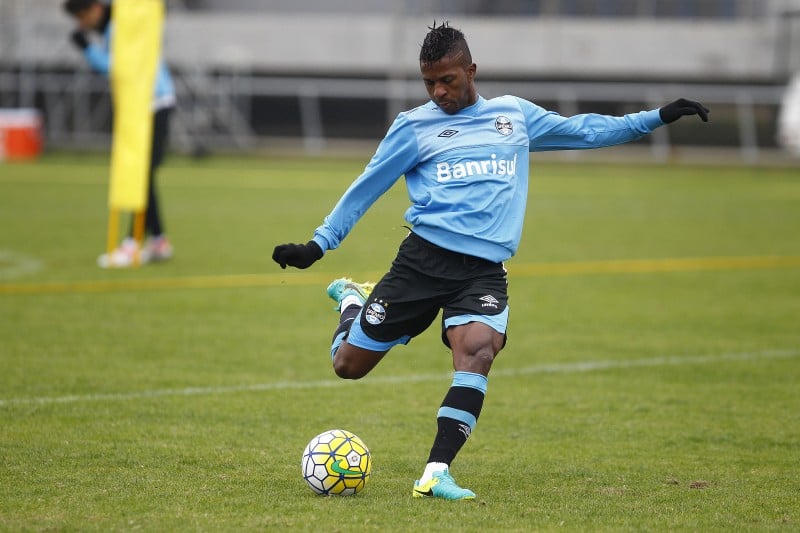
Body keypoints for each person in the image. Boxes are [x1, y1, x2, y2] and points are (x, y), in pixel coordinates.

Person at [272, 22, 709, 501]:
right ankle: (352, 303)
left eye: (449, 81)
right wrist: (319, 245)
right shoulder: (414, 127)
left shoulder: (514, 117)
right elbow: (367, 186)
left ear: (471, 70)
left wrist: (656, 117)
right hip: (421, 264)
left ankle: (435, 473)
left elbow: (585, 131)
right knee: (347, 366)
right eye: (429, 83)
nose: (439, 92)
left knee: (479, 350)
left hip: (482, 271)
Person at [64, 0, 176, 268]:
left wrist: (87, 49)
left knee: (140, 174)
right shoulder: (118, 26)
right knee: (144, 175)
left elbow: (118, 69)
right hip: (152, 102)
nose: (81, 24)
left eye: (82, 16)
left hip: (150, 104)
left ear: (95, 9)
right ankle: (157, 239)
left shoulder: (118, 29)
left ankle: (133, 242)